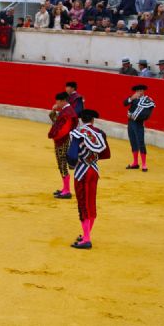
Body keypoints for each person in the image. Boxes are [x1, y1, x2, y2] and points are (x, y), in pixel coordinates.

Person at [66, 109, 110, 249]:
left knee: (83, 204)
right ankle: (86, 234)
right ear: (92, 121)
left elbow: (72, 157)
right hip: (94, 170)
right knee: (91, 202)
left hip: (82, 171)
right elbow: (106, 154)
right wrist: (92, 158)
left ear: (81, 120)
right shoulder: (100, 133)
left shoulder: (77, 133)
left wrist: (74, 164)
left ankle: (86, 239)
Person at [49, 92, 79, 199]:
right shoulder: (65, 111)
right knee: (61, 164)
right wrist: (53, 111)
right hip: (62, 140)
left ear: (62, 101)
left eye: (57, 101)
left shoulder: (68, 112)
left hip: (64, 141)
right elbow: (56, 122)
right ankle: (65, 188)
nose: (56, 103)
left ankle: (67, 190)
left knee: (62, 163)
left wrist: (55, 136)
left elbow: (64, 130)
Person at [124, 85, 156, 172]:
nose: (139, 92)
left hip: (139, 123)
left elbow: (146, 114)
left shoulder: (147, 100)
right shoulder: (133, 98)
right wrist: (131, 98)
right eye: (138, 91)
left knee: (140, 142)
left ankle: (144, 164)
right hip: (130, 122)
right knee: (133, 141)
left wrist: (133, 116)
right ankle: (135, 162)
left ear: (144, 91)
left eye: (141, 90)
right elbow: (124, 103)